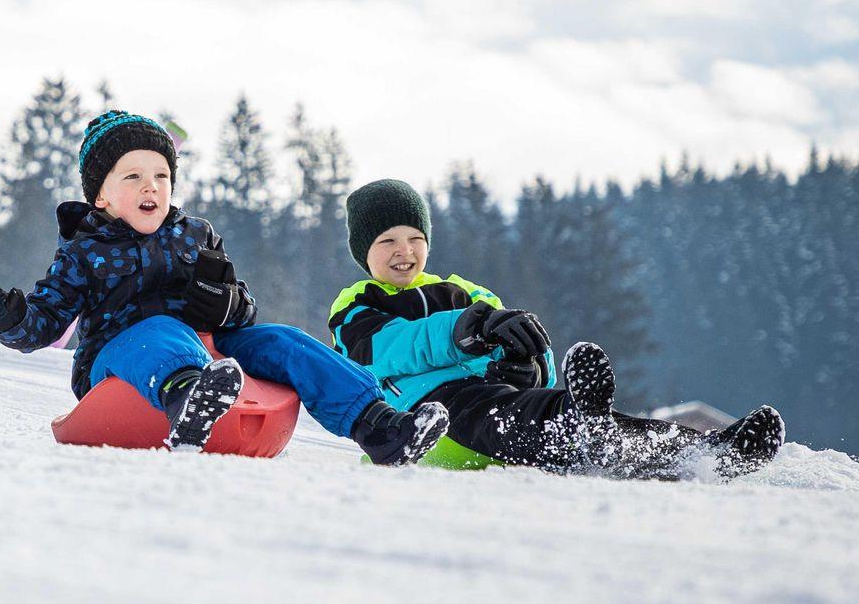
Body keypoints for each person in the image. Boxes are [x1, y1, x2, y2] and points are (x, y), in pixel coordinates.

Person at [0, 111, 449, 460]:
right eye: (133, 176)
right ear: (101, 197)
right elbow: (44, 324)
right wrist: (11, 318)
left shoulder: (195, 235)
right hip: (120, 363)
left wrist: (226, 305)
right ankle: (188, 399)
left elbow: (245, 308)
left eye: (161, 175)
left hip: (212, 350)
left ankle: (378, 425)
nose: (151, 186)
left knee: (283, 340)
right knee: (159, 328)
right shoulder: (83, 252)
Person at [329, 178, 785, 478]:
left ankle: (704, 454)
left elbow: (516, 347)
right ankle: (581, 432)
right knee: (515, 416)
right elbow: (388, 349)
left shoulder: (465, 291)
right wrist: (466, 331)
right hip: (427, 420)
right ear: (363, 250)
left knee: (561, 410)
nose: (404, 250)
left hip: (495, 398)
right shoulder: (356, 305)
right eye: (387, 241)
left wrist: (526, 360)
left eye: (415, 238)